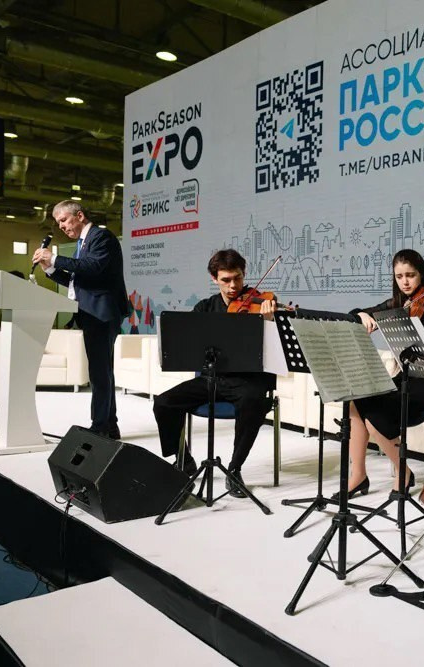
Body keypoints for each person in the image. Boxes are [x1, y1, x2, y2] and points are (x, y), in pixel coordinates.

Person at [152, 249, 277, 497]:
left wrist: (269, 322)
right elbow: (189, 342)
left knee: (253, 401)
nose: (233, 286)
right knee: (164, 403)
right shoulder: (205, 307)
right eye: (226, 280)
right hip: (212, 378)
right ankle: (183, 459)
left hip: (247, 380)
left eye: (238, 278)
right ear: (214, 279)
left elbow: (275, 352)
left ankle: (235, 469)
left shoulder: (261, 304)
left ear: (244, 274)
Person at [339, 249, 424, 498]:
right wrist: (361, 314)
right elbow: (355, 313)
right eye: (399, 276)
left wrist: (406, 322)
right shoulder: (398, 302)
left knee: (375, 413)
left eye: (410, 275)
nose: (405, 282)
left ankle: (403, 473)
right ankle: (358, 475)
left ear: (421, 274)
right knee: (354, 401)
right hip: (408, 379)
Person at [33, 201, 129, 438]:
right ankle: (109, 425)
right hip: (92, 313)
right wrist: (49, 269)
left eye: (64, 220)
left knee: (99, 372)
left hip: (101, 312)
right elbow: (78, 281)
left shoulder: (101, 237)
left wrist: (54, 258)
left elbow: (93, 267)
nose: (62, 227)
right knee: (102, 371)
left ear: (80, 215)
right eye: (59, 224)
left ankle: (100, 427)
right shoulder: (82, 243)